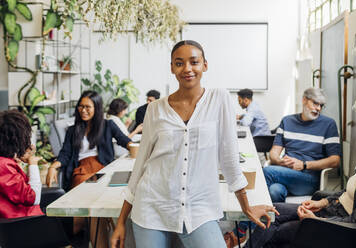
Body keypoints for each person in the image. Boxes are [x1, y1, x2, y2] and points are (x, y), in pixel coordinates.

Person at [110, 40, 278, 248]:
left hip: (199, 209)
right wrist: (120, 222)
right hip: (152, 206)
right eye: (179, 63)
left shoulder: (219, 99)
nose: (187, 69)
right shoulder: (156, 109)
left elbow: (229, 160)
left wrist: (247, 207)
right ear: (172, 68)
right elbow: (141, 165)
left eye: (194, 62)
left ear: (205, 65)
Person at [248, 113, 356, 247]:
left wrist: (317, 220)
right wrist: (322, 202)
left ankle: (245, 226)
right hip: (331, 210)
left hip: (338, 225)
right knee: (274, 208)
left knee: (279, 232)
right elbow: (346, 192)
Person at [46, 90, 132, 247]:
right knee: (88, 214)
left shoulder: (107, 126)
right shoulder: (73, 130)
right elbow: (65, 153)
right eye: (80, 106)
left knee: (93, 213)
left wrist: (136, 148)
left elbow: (125, 140)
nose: (83, 110)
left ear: (97, 108)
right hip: (81, 171)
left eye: (87, 107)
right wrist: (54, 166)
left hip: (102, 170)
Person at [264, 88, 341, 202]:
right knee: (274, 191)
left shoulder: (328, 124)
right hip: (285, 173)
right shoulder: (287, 121)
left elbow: (335, 160)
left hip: (309, 179)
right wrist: (279, 161)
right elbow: (274, 152)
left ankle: (248, 218)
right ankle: (281, 219)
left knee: (266, 172)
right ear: (304, 100)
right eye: (315, 103)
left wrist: (304, 165)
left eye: (321, 105)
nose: (318, 108)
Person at [0, 110, 43, 218]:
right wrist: (32, 163)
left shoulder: (6, 161)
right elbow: (34, 198)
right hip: (22, 223)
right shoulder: (4, 166)